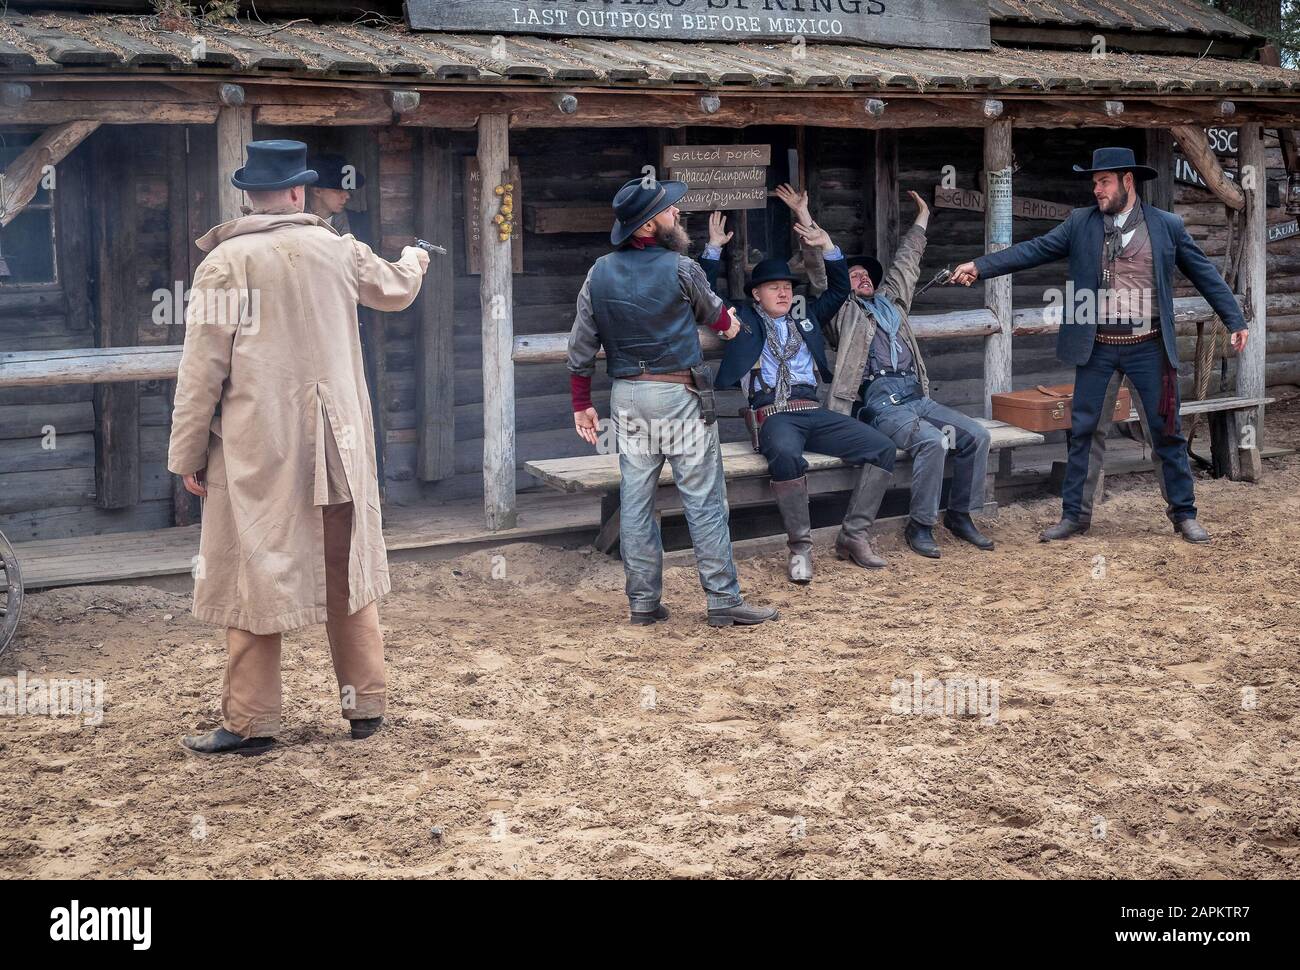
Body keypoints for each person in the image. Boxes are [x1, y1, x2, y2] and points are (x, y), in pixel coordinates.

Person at [168, 139, 429, 756]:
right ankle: (364, 706)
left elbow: (201, 369)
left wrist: (187, 454)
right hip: (338, 439)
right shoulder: (338, 249)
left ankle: (253, 721)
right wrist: (417, 257)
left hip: (261, 443)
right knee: (347, 565)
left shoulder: (226, 263)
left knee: (251, 569)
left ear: (251, 194)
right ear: (296, 192)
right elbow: (395, 289)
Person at [952, 147, 1249, 543]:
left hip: (1150, 347)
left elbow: (1205, 273)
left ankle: (1184, 514)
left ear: (1128, 181)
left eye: (1103, 181)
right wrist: (980, 265)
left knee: (1166, 431)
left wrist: (1234, 318)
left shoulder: (1167, 227)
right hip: (1097, 347)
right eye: (1094, 182)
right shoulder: (1080, 224)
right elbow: (1034, 250)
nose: (1097, 190)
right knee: (1084, 431)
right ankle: (1075, 516)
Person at [567, 176, 778, 627]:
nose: (676, 214)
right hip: (677, 393)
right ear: (648, 226)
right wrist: (734, 326)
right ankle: (723, 600)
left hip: (626, 396)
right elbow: (720, 319)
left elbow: (580, 345)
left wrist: (581, 402)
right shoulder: (682, 268)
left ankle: (643, 603)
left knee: (638, 501)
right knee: (702, 498)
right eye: (668, 210)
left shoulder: (598, 272)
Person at [777, 183, 994, 559]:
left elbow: (907, 263)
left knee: (976, 435)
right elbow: (821, 274)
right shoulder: (842, 311)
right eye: (854, 273)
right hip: (881, 404)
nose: (862, 277)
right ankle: (921, 525)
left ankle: (960, 514)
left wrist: (923, 219)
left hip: (917, 396)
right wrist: (804, 215)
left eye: (866, 274)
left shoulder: (893, 303)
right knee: (932, 441)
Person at [701, 209, 897, 583]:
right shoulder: (741, 320)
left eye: (788, 286)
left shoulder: (806, 320)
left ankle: (854, 535)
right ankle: (801, 548)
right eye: (773, 287)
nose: (783, 291)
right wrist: (712, 249)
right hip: (773, 415)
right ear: (756, 294)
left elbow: (840, 290)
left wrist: (828, 247)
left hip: (813, 411)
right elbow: (705, 295)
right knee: (787, 454)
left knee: (882, 447)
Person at [305, 153, 361, 231]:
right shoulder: (295, 221)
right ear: (318, 191)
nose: (347, 195)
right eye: (338, 190)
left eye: (346, 190)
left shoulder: (357, 222)